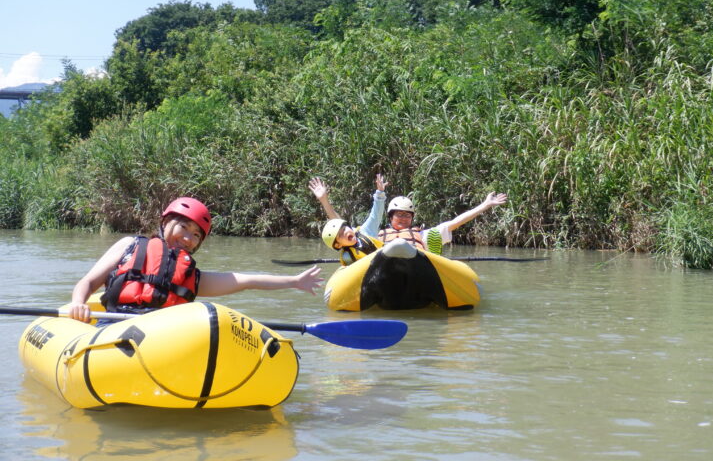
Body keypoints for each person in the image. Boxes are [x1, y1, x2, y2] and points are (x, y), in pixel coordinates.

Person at [66, 197, 323, 323]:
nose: (188, 239)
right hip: (115, 325)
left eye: (196, 235)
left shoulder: (192, 278)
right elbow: (87, 283)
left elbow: (245, 280)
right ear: (165, 223)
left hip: (164, 336)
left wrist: (294, 281)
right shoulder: (130, 245)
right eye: (183, 228)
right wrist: (78, 304)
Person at [378, 192, 508, 254]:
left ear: (412, 219)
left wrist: (485, 205)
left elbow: (455, 222)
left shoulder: (423, 235)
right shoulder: (377, 236)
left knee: (435, 234)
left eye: (407, 215)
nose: (403, 218)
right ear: (390, 217)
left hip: (416, 267)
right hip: (383, 266)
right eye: (399, 215)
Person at [308, 174, 387, 265]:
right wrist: (323, 200)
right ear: (338, 245)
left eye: (345, 229)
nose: (345, 232)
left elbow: (376, 214)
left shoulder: (366, 231)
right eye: (340, 235)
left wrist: (380, 192)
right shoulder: (347, 257)